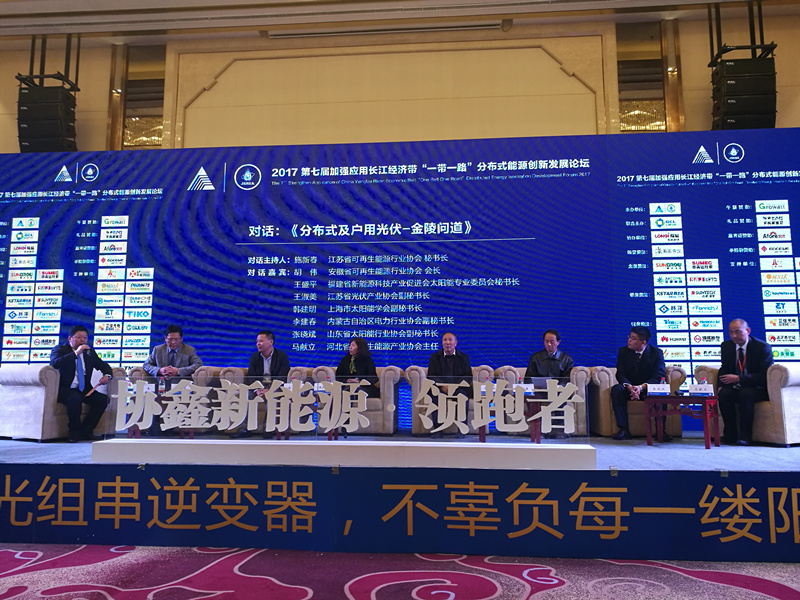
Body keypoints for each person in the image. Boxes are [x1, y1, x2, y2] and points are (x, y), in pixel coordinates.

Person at [50, 325, 114, 443]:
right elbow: (55, 363)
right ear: (70, 339)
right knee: (75, 398)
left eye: (85, 337)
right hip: (66, 389)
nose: (82, 340)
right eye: (79, 337)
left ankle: (86, 431)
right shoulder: (60, 349)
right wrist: (76, 353)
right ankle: (74, 434)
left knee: (103, 400)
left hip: (85, 389)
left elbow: (103, 366)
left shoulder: (89, 352)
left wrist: (107, 375)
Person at [717, 318, 773, 446]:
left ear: (747, 331)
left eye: (738, 331)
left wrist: (739, 379)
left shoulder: (762, 347)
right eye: (731, 332)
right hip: (736, 385)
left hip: (757, 387)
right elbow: (724, 369)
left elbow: (764, 375)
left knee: (745, 394)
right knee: (724, 394)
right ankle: (730, 435)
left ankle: (745, 436)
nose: (734, 336)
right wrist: (720, 385)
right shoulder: (726, 346)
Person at [610, 326, 666, 441]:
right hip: (629, 389)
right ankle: (623, 430)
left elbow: (658, 375)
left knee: (661, 392)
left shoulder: (656, 353)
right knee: (616, 389)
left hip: (647, 389)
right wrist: (630, 387)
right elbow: (621, 374)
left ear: (643, 342)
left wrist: (641, 387)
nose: (629, 340)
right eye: (629, 337)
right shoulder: (623, 352)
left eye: (633, 338)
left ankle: (660, 431)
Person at [524, 329, 575, 439]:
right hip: (540, 390)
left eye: (552, 341)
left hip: (557, 391)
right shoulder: (535, 358)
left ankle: (559, 430)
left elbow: (566, 379)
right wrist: (534, 385)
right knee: (533, 398)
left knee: (560, 396)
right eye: (546, 341)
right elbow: (528, 378)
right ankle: (538, 430)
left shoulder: (566, 359)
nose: (549, 344)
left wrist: (559, 387)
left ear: (558, 342)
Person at [426, 331, 473, 437]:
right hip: (440, 388)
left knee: (462, 397)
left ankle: (461, 430)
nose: (447, 342)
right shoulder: (434, 357)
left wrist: (454, 386)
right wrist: (443, 386)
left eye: (450, 340)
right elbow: (431, 376)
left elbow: (468, 376)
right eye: (445, 340)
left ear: (455, 343)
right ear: (442, 343)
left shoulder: (464, 357)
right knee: (435, 397)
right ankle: (437, 430)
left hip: (458, 388)